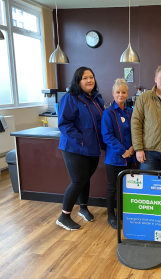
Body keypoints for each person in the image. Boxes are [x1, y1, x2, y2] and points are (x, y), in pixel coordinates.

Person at [56, 67, 105, 231]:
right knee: (78, 181)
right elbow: (64, 124)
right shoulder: (70, 98)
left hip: (92, 147)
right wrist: (81, 140)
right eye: (85, 78)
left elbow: (100, 122)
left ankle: (83, 207)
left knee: (85, 179)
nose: (89, 80)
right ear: (78, 81)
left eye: (91, 77)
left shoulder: (96, 99)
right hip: (75, 148)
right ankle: (64, 216)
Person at [101, 78, 136, 229]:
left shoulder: (131, 112)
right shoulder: (108, 113)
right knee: (112, 188)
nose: (120, 95)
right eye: (117, 92)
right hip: (114, 158)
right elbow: (107, 136)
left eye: (123, 92)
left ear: (128, 94)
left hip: (131, 157)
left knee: (127, 187)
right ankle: (111, 215)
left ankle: (124, 213)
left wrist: (133, 148)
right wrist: (123, 151)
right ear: (113, 94)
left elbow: (137, 131)